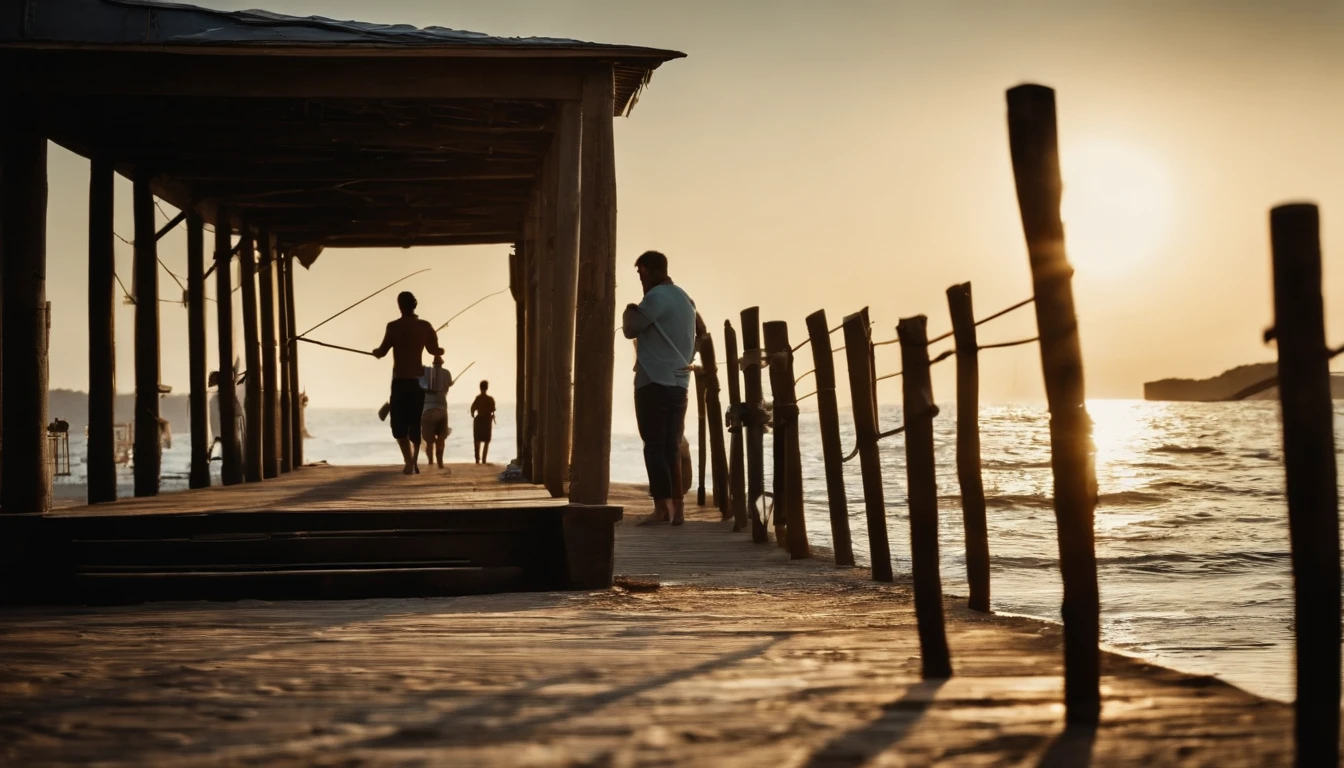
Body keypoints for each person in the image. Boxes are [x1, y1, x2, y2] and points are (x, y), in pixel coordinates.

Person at [622, 250, 699, 526]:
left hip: (653, 381)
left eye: (641, 275)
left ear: (651, 271)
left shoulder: (655, 298)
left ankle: (661, 509)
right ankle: (678, 509)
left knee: (654, 446)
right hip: (680, 383)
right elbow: (700, 334)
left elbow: (631, 329)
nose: (641, 281)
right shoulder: (685, 299)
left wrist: (628, 309)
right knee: (672, 446)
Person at [372, 291, 444, 475]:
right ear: (415, 305)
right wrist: (440, 349)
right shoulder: (425, 326)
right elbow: (434, 350)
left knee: (398, 425)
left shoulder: (393, 327)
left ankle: (408, 461)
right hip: (418, 382)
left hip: (400, 381)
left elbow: (382, 351)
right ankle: (413, 461)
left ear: (399, 305)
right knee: (414, 423)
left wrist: (375, 352)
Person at [420, 355, 453, 471]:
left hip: (427, 411)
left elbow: (419, 387)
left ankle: (430, 462)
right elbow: (447, 387)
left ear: (433, 364)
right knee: (441, 438)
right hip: (442, 410)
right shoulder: (446, 373)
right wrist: (449, 384)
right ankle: (440, 463)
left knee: (429, 441)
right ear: (441, 363)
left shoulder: (425, 373)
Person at [470, 380, 497, 464]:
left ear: (480, 388)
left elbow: (472, 409)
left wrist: (473, 416)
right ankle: (484, 459)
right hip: (487, 420)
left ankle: (477, 459)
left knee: (477, 440)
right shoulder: (490, 399)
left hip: (478, 420)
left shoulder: (478, 398)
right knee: (486, 440)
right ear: (487, 388)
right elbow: (493, 410)